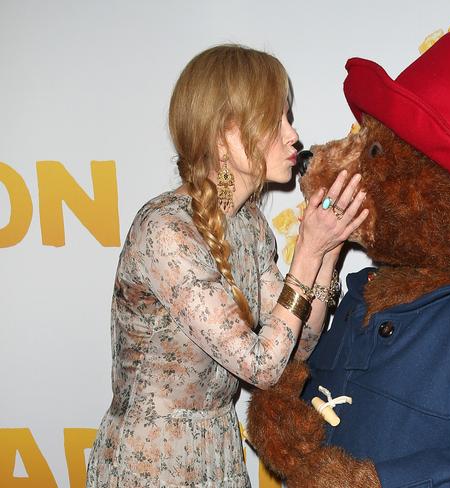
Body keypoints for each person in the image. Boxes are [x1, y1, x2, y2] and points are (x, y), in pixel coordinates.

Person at [85, 44, 368, 488]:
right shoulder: (166, 230)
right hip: (154, 461)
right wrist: (307, 253)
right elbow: (260, 367)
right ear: (223, 135)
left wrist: (330, 250)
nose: (293, 135)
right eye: (276, 120)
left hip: (218, 451)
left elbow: (300, 345)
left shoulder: (250, 225)